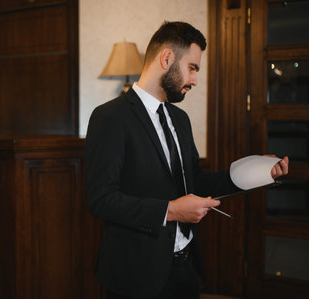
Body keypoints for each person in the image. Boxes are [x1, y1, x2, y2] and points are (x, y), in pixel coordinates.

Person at [84, 21, 289, 299]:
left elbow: (197, 181)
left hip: (186, 270)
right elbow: (101, 200)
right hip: (136, 276)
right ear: (167, 58)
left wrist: (259, 171)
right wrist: (170, 211)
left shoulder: (180, 119)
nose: (194, 79)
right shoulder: (110, 117)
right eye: (192, 68)